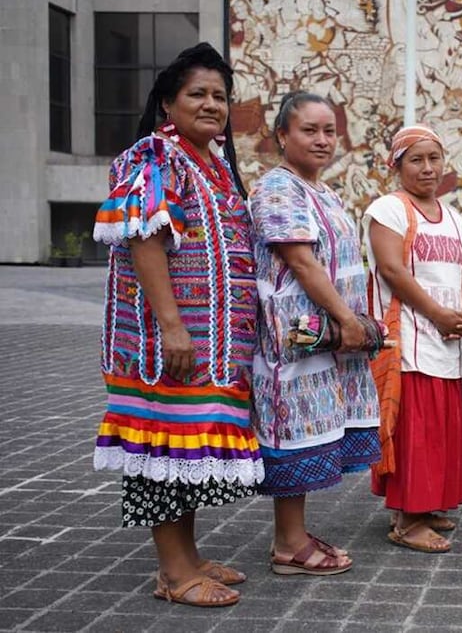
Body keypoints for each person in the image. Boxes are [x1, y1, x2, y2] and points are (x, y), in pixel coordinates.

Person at [92, 42, 262, 607]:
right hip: (169, 342)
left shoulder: (210, 162)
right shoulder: (155, 157)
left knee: (184, 452)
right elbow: (144, 238)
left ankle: (188, 556)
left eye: (220, 96)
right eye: (198, 94)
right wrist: (171, 326)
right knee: (161, 448)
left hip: (213, 348)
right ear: (168, 103)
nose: (212, 104)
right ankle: (173, 573)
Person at [248, 92, 383, 576]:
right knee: (294, 434)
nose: (323, 139)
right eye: (309, 130)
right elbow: (301, 262)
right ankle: (288, 545)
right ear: (282, 135)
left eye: (329, 130)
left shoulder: (322, 190)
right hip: (297, 338)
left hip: (325, 336)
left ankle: (294, 534)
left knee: (313, 432)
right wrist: (348, 321)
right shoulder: (277, 188)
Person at [365, 126, 462, 553]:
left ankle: (425, 506)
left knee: (440, 428)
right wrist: (438, 314)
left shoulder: (455, 218)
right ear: (397, 165)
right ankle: (408, 521)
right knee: (416, 430)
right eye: (416, 160)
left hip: (445, 340)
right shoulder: (389, 209)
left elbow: (461, 274)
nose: (427, 168)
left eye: (434, 158)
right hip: (407, 339)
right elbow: (392, 270)